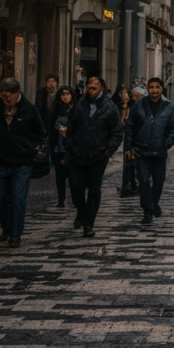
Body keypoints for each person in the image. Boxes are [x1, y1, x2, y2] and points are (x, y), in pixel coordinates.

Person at [0, 78, 46, 247]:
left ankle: (15, 234)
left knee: (19, 198)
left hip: (22, 162)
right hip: (1, 160)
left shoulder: (29, 109)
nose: (6, 100)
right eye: (3, 97)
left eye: (9, 96)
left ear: (17, 93)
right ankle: (7, 227)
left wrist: (28, 147)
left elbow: (40, 133)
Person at [66, 76, 123, 237]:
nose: (90, 90)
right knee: (76, 187)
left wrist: (106, 152)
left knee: (94, 188)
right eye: (88, 87)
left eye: (94, 88)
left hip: (98, 155)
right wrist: (70, 146)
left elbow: (117, 133)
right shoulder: (79, 105)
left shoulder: (109, 107)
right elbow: (71, 128)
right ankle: (81, 212)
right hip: (77, 154)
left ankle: (88, 223)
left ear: (101, 88)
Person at [126, 78, 174, 225]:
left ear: (162, 89)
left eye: (157, 87)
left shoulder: (169, 108)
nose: (154, 90)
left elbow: (173, 129)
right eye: (151, 87)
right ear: (147, 89)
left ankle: (154, 203)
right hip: (141, 150)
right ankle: (148, 211)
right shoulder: (138, 106)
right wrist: (129, 147)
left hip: (160, 151)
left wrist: (166, 143)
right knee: (143, 181)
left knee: (159, 181)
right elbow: (130, 126)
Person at [48, 85, 77, 208]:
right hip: (58, 147)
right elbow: (50, 127)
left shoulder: (76, 110)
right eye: (63, 94)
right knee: (59, 176)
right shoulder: (55, 110)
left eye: (67, 94)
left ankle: (75, 199)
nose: (65, 97)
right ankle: (61, 200)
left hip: (72, 149)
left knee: (73, 177)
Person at [116, 86, 138, 197]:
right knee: (126, 162)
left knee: (131, 161)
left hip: (131, 136)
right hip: (121, 135)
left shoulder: (133, 107)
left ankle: (131, 184)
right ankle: (127, 184)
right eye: (121, 93)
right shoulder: (117, 107)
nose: (123, 96)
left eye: (125, 93)